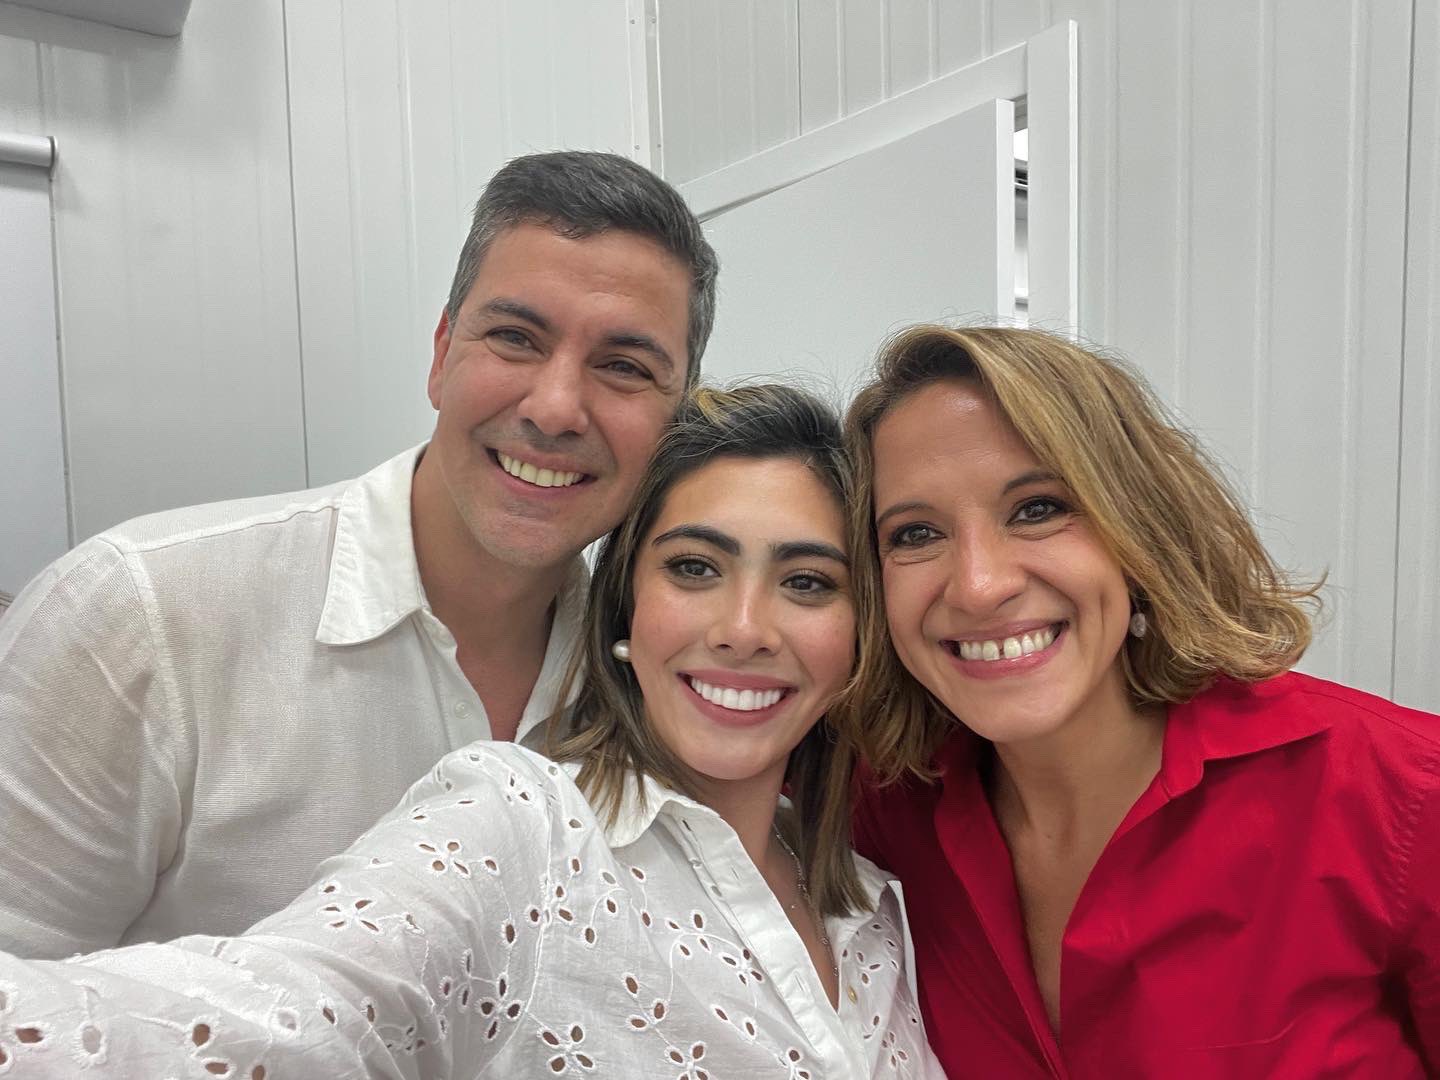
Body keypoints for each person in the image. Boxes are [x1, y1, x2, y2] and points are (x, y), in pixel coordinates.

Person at [0, 385, 942, 1080]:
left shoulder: (876, 906)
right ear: (626, 611)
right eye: (694, 567)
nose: (744, 627)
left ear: (863, 636)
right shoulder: (520, 827)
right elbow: (281, 1016)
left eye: (808, 582)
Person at [0, 151, 719, 958]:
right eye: (515, 338)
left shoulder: (660, 675)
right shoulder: (138, 616)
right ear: (442, 354)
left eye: (623, 367)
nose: (555, 409)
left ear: (679, 419)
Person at [843, 325, 1440, 1077]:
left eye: (1037, 508)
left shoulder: (1403, 796)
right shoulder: (880, 818)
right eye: (916, 532)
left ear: (1139, 528)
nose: (978, 584)